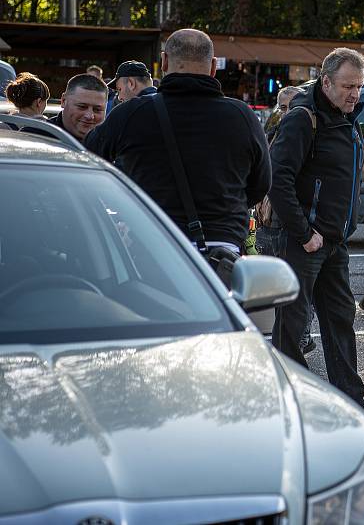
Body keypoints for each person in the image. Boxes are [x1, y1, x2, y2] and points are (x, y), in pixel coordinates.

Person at [268, 47, 364, 422]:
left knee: (340, 320)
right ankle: (293, 407)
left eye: (359, 85)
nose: (355, 93)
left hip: (333, 242)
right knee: (291, 326)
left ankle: (351, 402)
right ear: (326, 82)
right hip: (302, 241)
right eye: (347, 86)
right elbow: (278, 179)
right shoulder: (303, 119)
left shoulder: (346, 118)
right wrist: (304, 232)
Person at [85, 28, 270, 258]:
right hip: (221, 254)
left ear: (163, 62)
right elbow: (261, 184)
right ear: (213, 67)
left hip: (151, 245)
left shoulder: (131, 115)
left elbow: (86, 161)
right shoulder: (243, 117)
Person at [256, 83, 316, 355]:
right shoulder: (272, 132)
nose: (286, 112)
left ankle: (300, 340)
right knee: (278, 290)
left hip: (287, 223)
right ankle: (291, 341)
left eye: (291, 106)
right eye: (282, 107)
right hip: (267, 220)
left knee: (296, 292)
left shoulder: (302, 132)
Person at [47, 73, 107, 142]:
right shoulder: (40, 136)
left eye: (97, 109)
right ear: (63, 101)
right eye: (82, 107)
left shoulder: (112, 143)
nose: (89, 116)